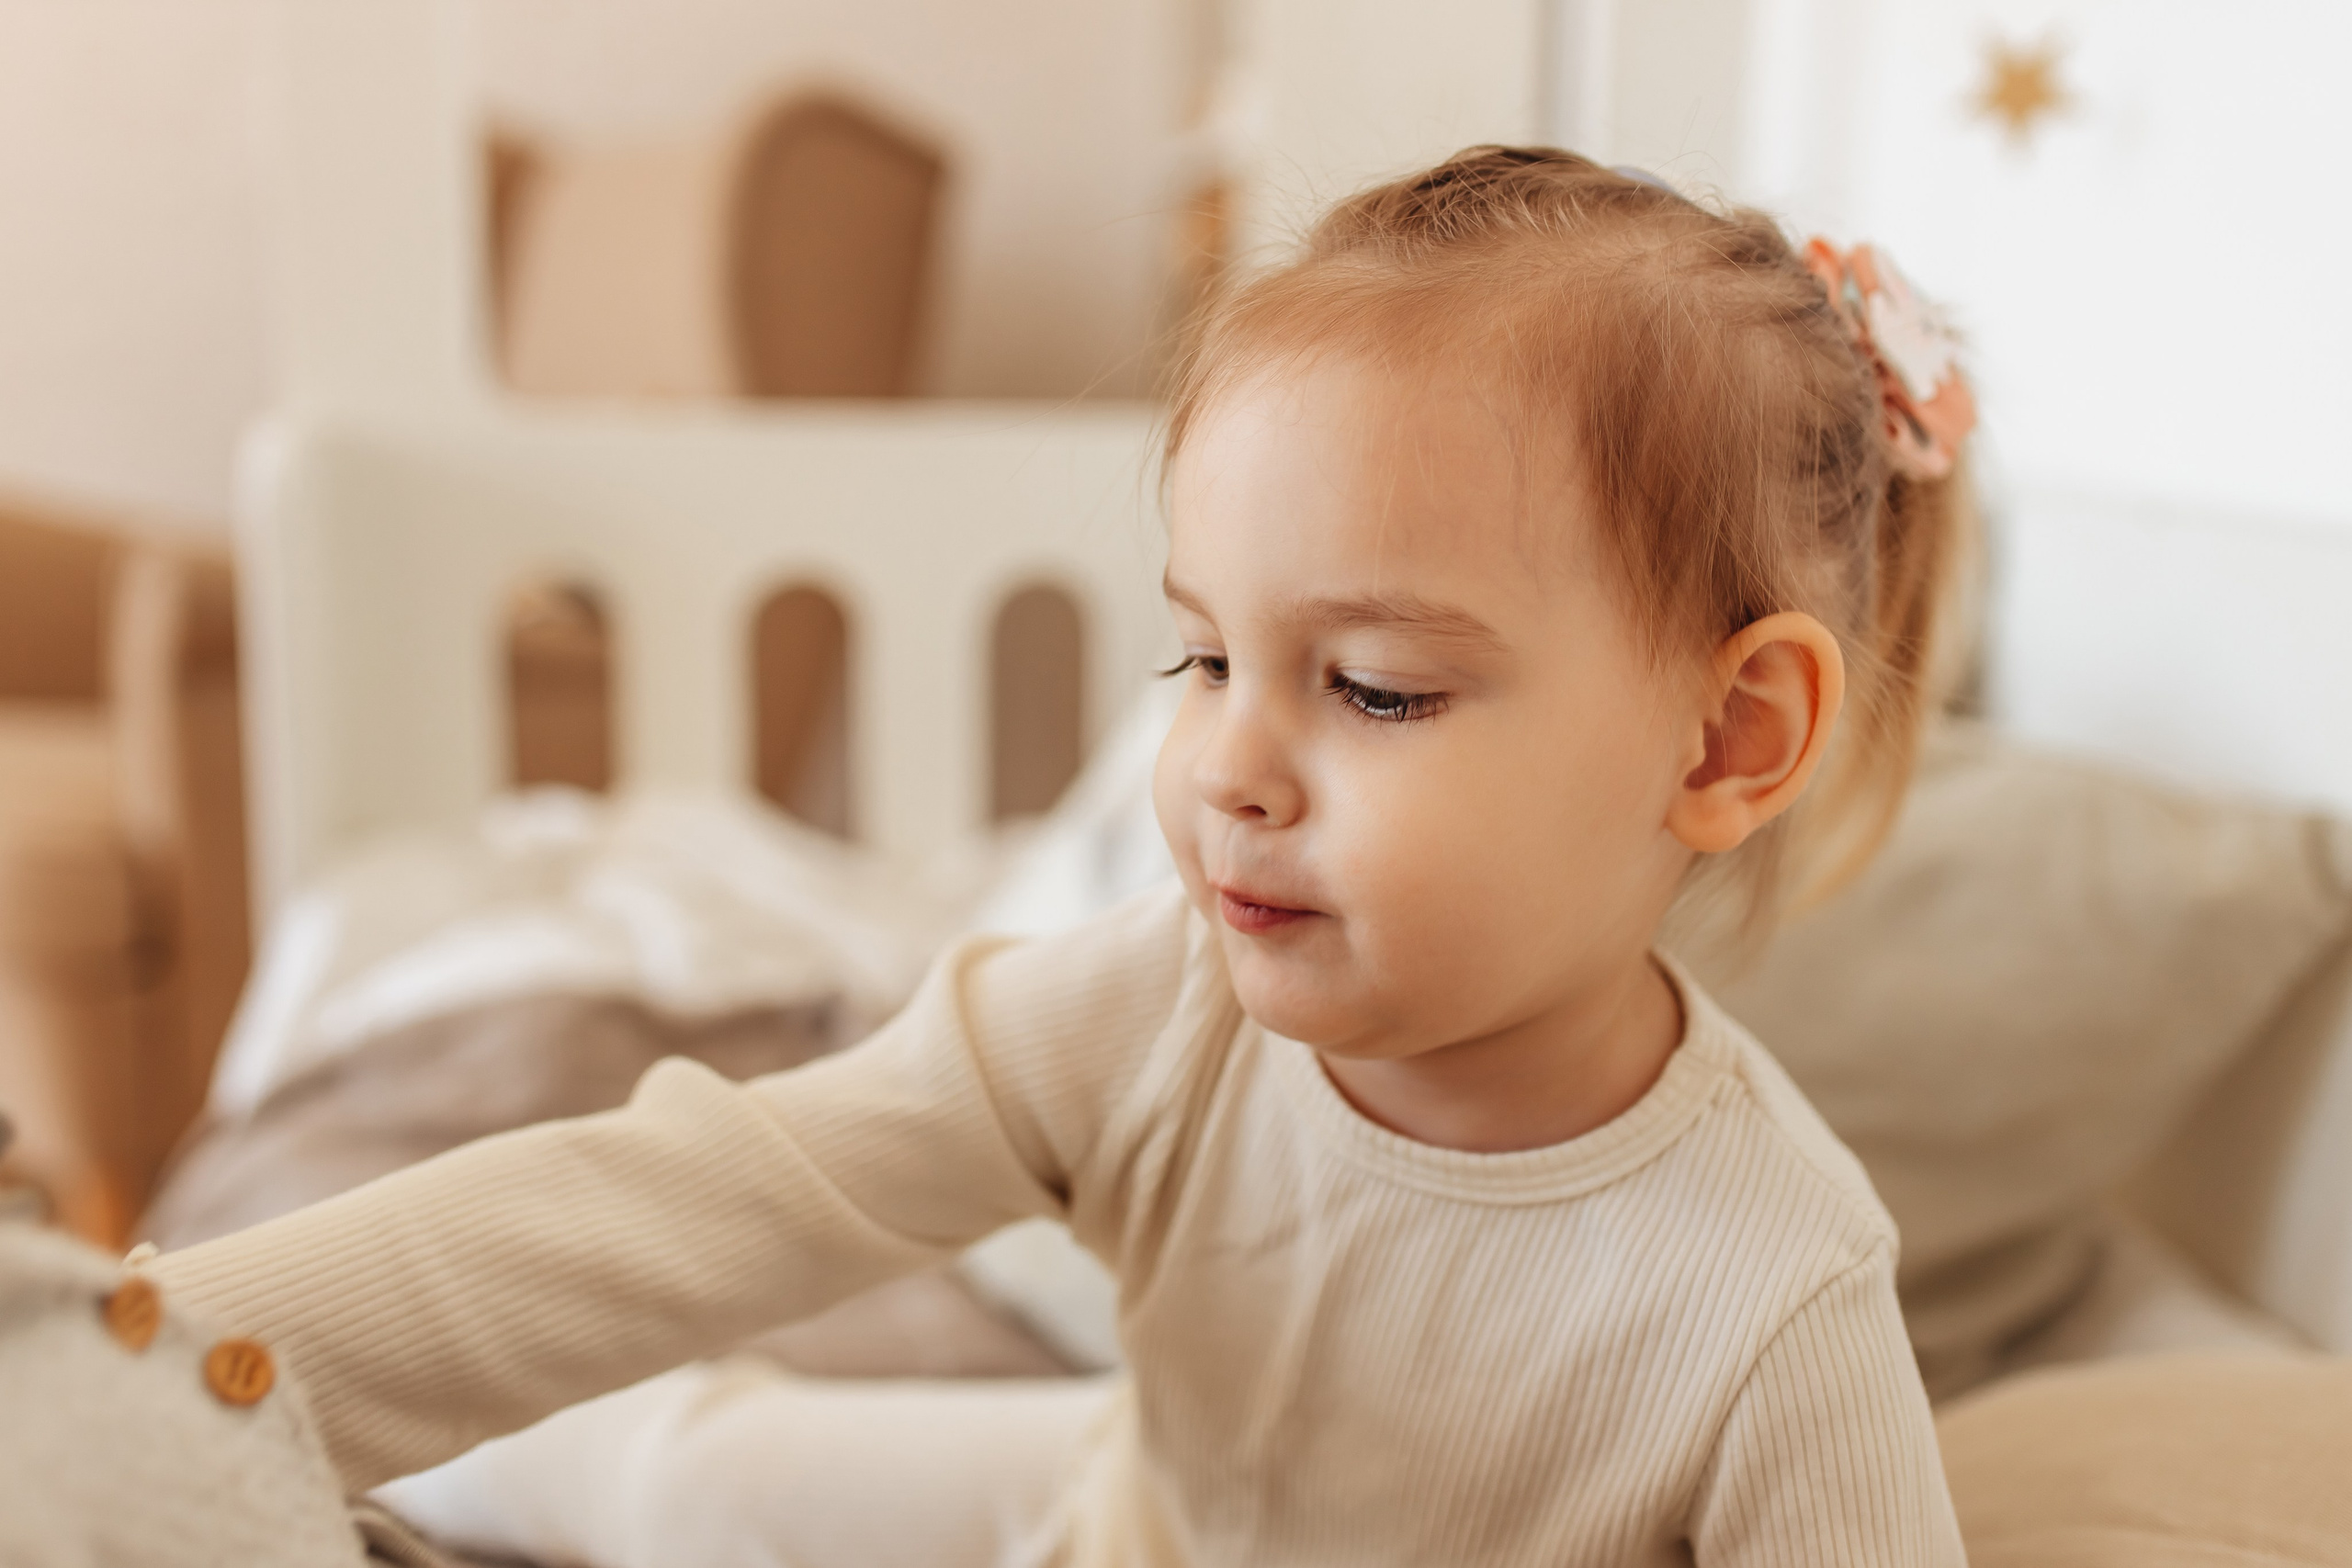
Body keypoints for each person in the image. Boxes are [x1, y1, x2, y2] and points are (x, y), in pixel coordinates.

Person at [151, 148, 1978, 1567]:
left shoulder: (1768, 1299)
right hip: (1104, 1513)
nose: (1224, 766)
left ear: (1726, 736)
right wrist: (156, 1358)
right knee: (685, 1471)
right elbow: (697, 1196)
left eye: (1371, 686)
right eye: (1201, 656)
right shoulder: (1156, 1008)